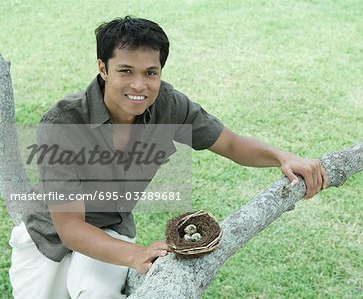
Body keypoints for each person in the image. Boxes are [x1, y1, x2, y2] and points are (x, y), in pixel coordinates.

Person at [8, 16, 328, 298]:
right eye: (125, 71)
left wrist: (282, 156)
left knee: (97, 292)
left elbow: (230, 143)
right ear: (103, 68)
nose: (140, 85)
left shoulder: (168, 106)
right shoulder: (64, 121)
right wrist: (136, 255)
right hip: (49, 235)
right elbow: (69, 227)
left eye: (150, 72)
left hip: (109, 229)